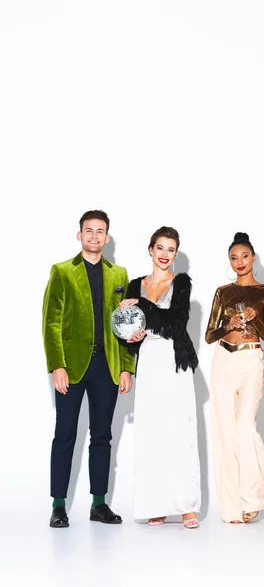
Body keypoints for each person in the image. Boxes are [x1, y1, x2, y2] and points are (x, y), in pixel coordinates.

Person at [42, 210, 135, 528]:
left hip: (107, 367)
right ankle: (58, 505)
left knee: (103, 437)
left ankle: (99, 504)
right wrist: (57, 365)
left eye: (100, 231)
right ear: (79, 235)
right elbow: (51, 323)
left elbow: (125, 325)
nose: (94, 236)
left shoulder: (119, 275)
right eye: (89, 230)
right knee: (64, 435)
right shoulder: (62, 272)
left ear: (107, 237)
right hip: (72, 367)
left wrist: (126, 367)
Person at [120, 226, 201, 529]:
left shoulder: (180, 283)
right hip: (149, 361)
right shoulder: (133, 284)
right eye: (160, 248)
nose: (165, 255)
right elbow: (123, 327)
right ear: (150, 250)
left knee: (180, 429)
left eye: (171, 250)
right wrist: (131, 337)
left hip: (173, 359)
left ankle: (187, 506)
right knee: (152, 432)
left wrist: (143, 306)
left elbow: (176, 324)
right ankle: (158, 504)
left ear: (175, 254)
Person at [205, 232, 264, 523]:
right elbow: (209, 335)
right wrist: (227, 324)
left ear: (254, 257)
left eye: (244, 256)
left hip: (251, 358)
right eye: (234, 258)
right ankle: (233, 507)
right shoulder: (223, 291)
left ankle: (253, 498)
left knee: (245, 428)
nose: (239, 262)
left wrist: (255, 314)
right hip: (223, 358)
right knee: (223, 431)